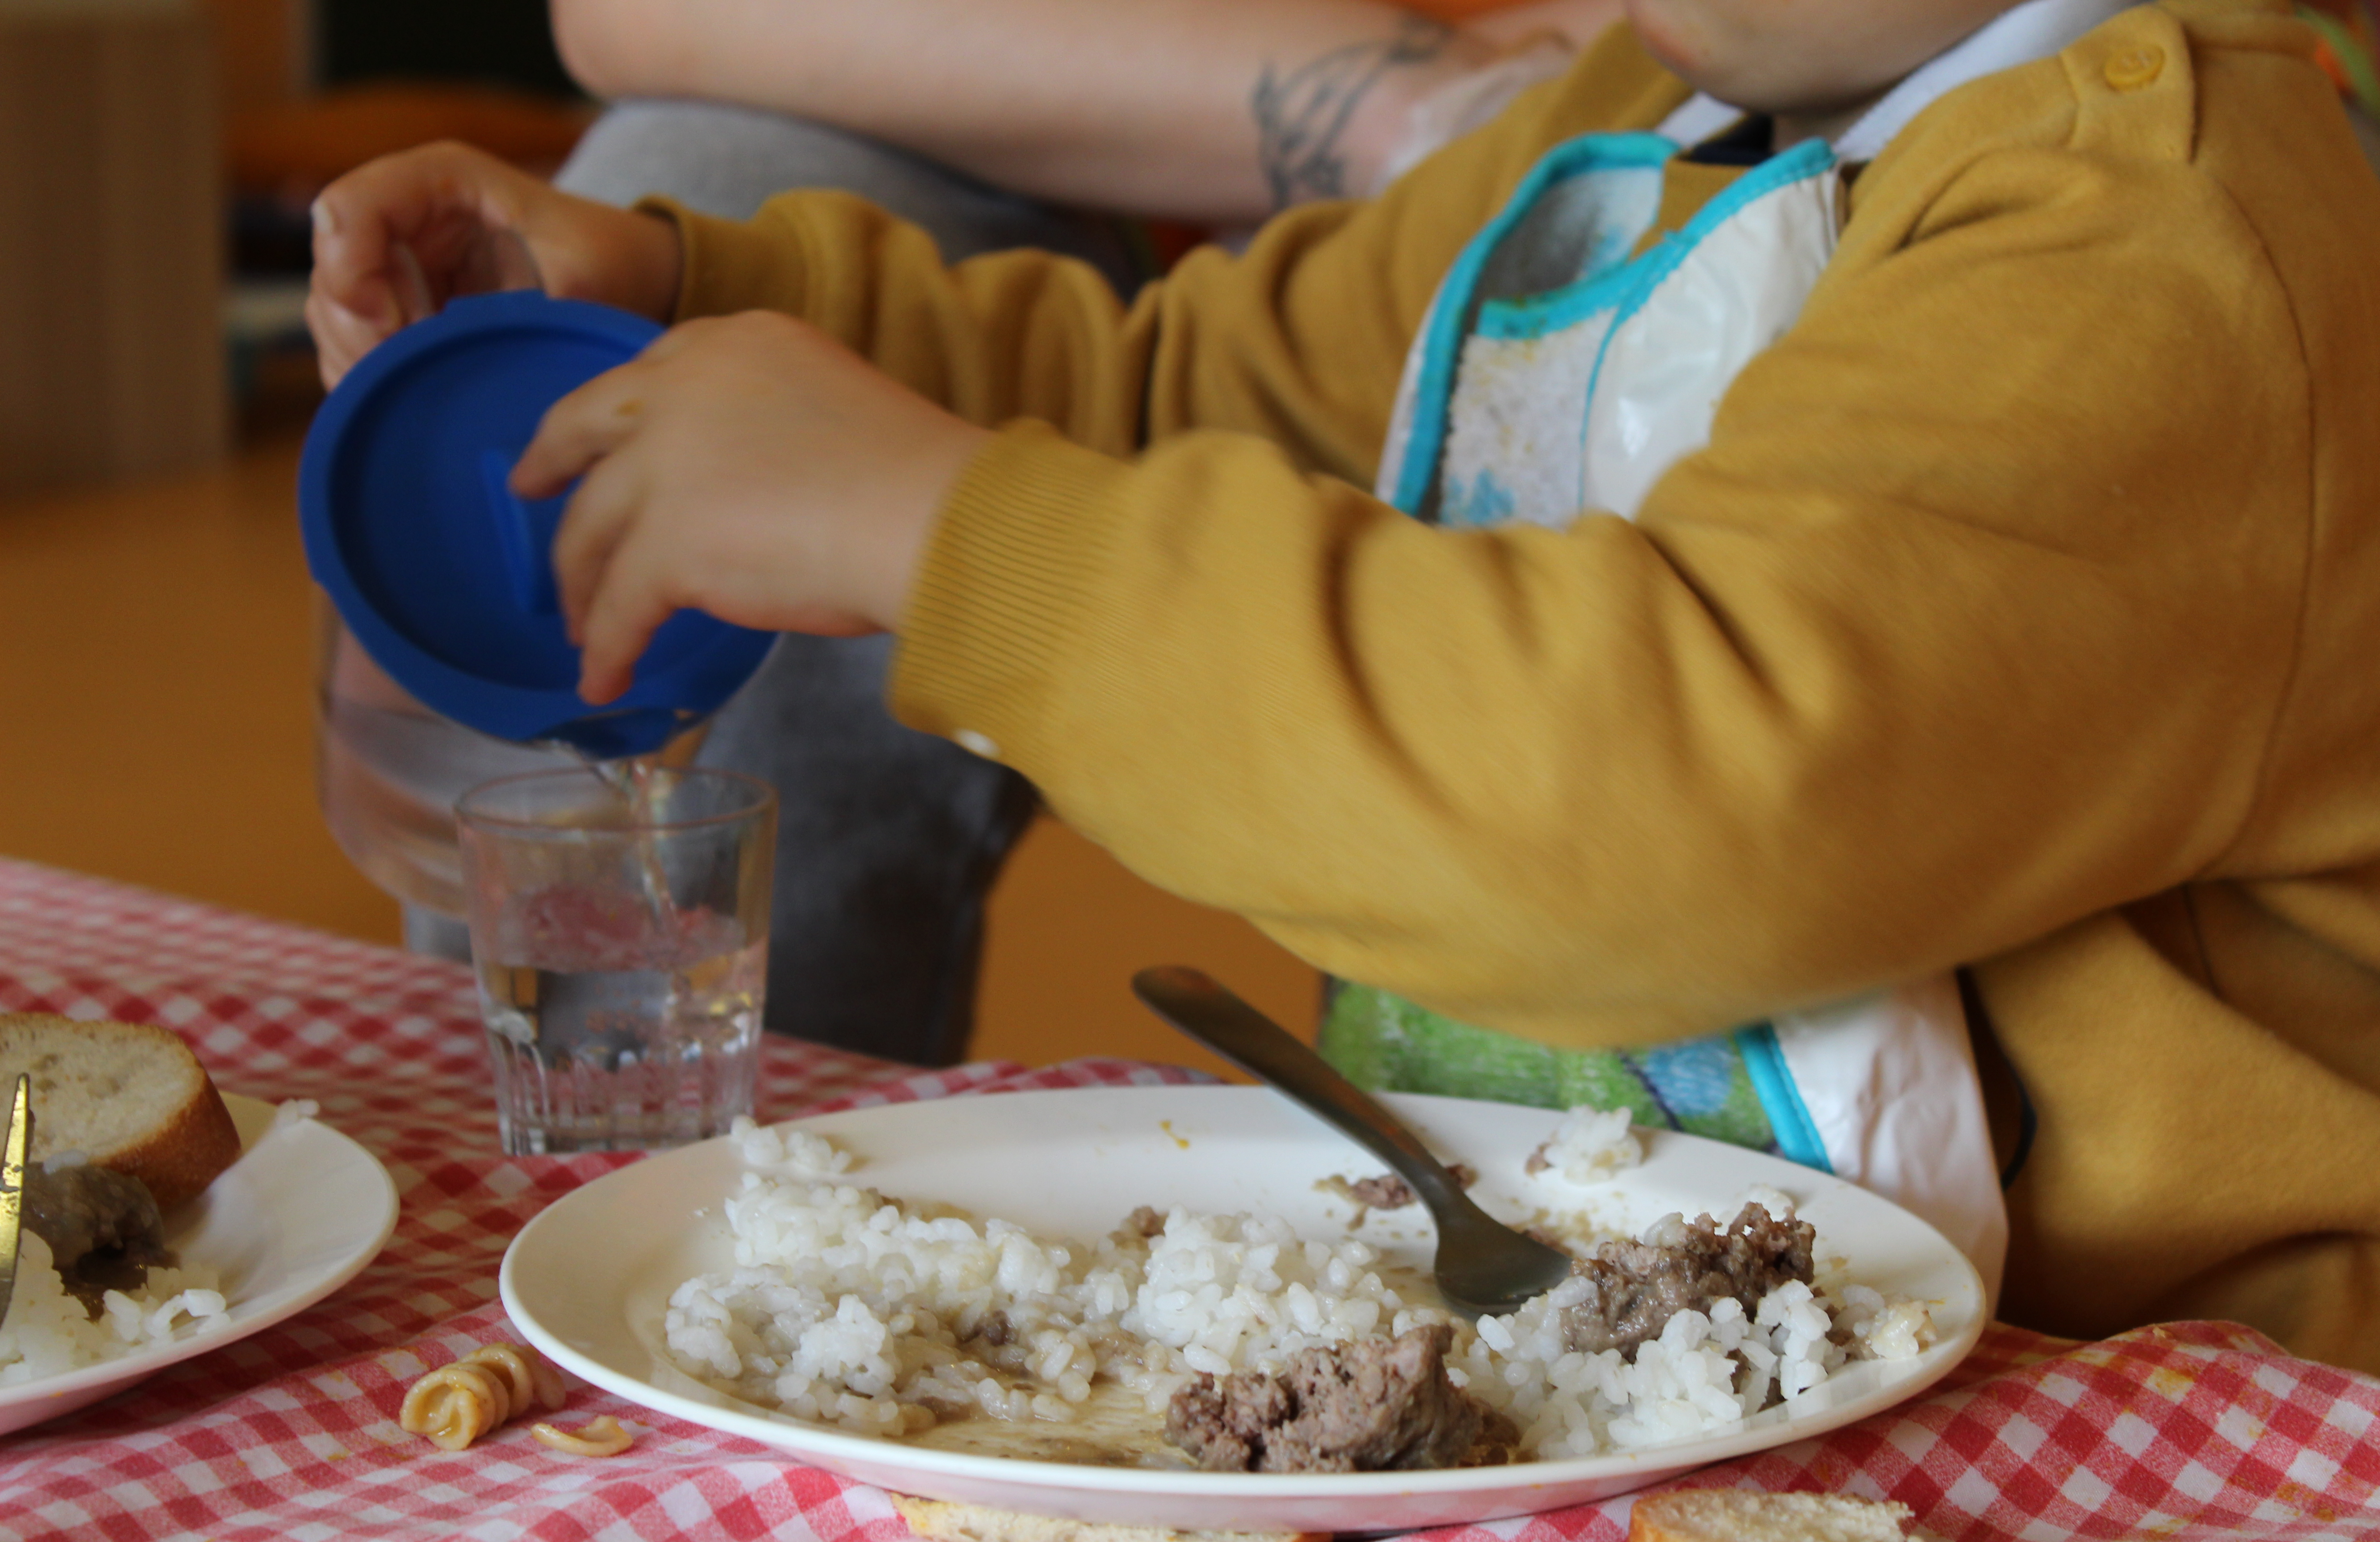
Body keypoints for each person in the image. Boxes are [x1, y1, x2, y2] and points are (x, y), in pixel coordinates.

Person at [310, 0, 2380, 1400]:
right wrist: (721, 299)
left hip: (2184, 1409)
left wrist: (949, 537)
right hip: (1669, 1332)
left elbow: (1670, 815)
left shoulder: (2166, 242)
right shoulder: (1656, 108)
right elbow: (1204, 394)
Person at [315, 0, 1619, 1068]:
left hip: (1581, 135)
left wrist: (927, 523)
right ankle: (591, 1154)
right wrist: (1403, 108)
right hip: (1298, 153)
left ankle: (778, 1163)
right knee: (694, 208)